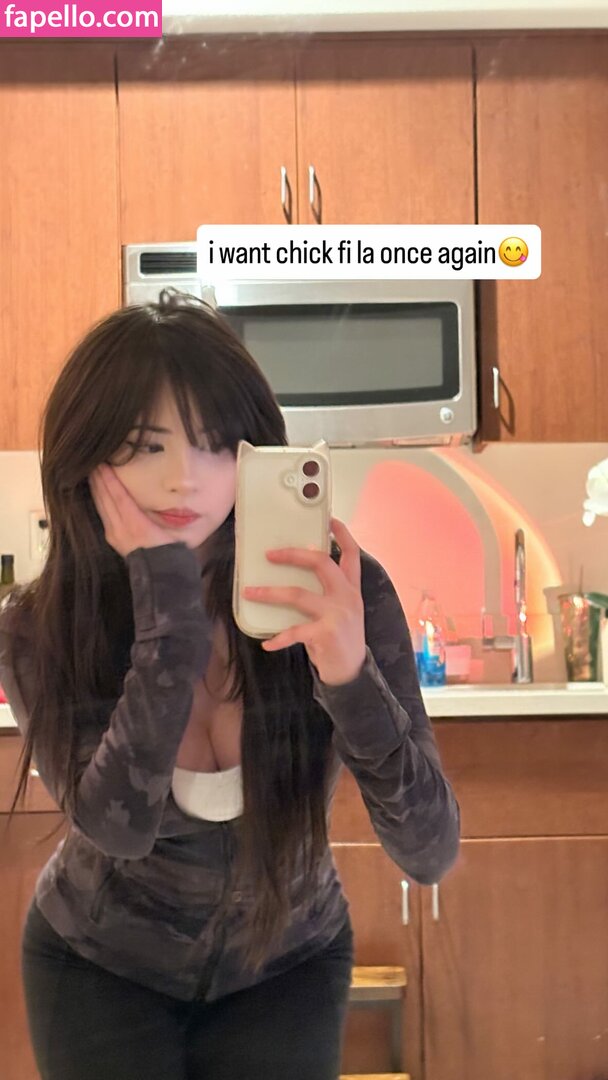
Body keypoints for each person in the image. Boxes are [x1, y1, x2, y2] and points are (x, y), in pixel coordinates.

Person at [0, 290, 460, 1080]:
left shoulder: (343, 593)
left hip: (289, 965)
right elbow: (116, 828)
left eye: (216, 444)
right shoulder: (42, 626)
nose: (184, 478)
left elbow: (429, 850)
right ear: (86, 459)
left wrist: (348, 674)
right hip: (98, 967)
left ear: (254, 455)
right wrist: (167, 612)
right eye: (143, 445)